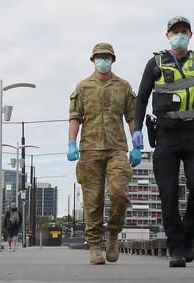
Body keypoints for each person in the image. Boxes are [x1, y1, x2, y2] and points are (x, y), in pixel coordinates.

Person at [134, 16, 194, 268]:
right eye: (175, 31)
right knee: (169, 192)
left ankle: (187, 238)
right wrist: (136, 132)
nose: (179, 35)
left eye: (184, 31)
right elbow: (142, 98)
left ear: (191, 34)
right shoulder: (155, 64)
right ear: (167, 35)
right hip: (166, 133)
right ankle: (176, 248)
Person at [68, 43, 140, 265]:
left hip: (117, 148)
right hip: (90, 149)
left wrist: (137, 141)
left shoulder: (124, 87)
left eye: (106, 57)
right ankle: (95, 246)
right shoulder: (82, 87)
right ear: (93, 60)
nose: (103, 60)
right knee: (93, 200)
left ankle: (114, 234)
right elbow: (75, 116)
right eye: (99, 57)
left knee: (119, 192)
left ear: (113, 60)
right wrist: (71, 142)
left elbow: (131, 115)